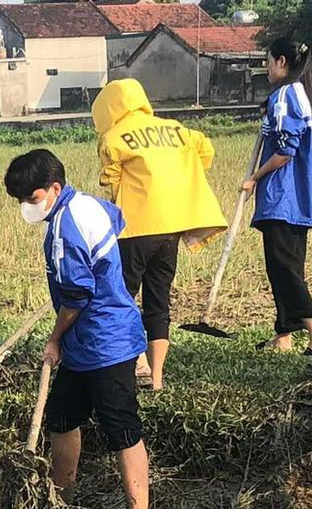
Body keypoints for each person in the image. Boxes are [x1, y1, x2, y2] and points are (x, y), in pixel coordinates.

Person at [3, 149, 150, 509]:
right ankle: (60, 499)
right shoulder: (87, 203)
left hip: (105, 341)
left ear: (55, 188)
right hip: (87, 343)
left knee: (122, 429)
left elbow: (77, 295)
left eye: (32, 198)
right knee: (62, 416)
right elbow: (119, 219)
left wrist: (54, 339)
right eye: (21, 200)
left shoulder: (64, 230)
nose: (27, 206)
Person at [90, 78, 227, 390]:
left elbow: (111, 181)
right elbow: (205, 149)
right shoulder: (176, 129)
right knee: (158, 300)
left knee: (123, 296)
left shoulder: (114, 137)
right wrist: (179, 176)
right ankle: (157, 377)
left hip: (136, 229)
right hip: (171, 228)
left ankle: (137, 360)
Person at [244, 37, 312, 368]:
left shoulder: (285, 96)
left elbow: (285, 151)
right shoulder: (298, 93)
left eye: (268, 61)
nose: (267, 68)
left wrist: (254, 178)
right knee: (285, 266)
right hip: (297, 199)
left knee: (283, 268)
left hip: (283, 197)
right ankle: (284, 334)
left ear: (282, 61)